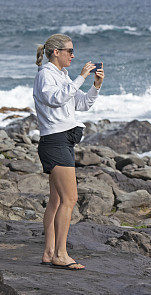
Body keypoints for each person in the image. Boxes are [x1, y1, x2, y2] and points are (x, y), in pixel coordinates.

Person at [33, 33, 104, 270]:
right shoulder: (46, 75)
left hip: (62, 140)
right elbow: (54, 99)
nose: (73, 55)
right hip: (55, 141)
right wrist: (81, 77)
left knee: (55, 199)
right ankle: (61, 254)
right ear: (56, 52)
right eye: (69, 51)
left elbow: (81, 104)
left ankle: (49, 252)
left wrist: (95, 85)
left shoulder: (62, 76)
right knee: (70, 199)